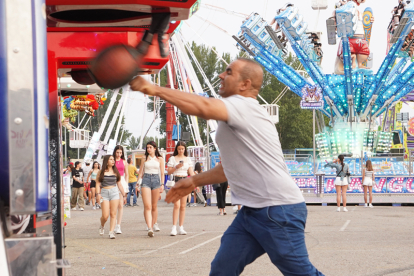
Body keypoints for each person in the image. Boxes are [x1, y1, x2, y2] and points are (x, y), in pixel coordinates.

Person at [130, 58, 324, 275]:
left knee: (301, 273)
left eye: (228, 72)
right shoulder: (237, 114)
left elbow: (203, 106)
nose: (221, 75)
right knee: (223, 269)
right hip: (252, 212)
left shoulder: (244, 106)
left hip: (278, 210)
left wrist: (156, 89)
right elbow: (227, 168)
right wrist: (193, 180)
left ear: (245, 84)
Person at [167, 141, 195, 236]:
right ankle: (174, 227)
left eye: (182, 149)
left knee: (183, 206)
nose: (180, 150)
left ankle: (181, 227)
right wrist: (176, 167)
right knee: (176, 205)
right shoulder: (173, 158)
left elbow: (191, 172)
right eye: (179, 149)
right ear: (176, 149)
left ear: (184, 149)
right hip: (176, 181)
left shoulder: (188, 159)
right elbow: (169, 172)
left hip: (185, 181)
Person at [95, 155, 127, 239]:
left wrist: (124, 195)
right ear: (106, 161)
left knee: (113, 213)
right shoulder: (101, 172)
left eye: (113, 159)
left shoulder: (115, 172)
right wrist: (98, 194)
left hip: (114, 193)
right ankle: (102, 225)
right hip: (104, 193)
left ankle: (111, 232)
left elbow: (119, 184)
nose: (113, 161)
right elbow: (98, 184)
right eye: (111, 159)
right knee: (105, 216)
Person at [137, 141, 165, 237]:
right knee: (147, 205)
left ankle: (153, 224)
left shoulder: (160, 159)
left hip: (156, 180)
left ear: (154, 148)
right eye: (147, 147)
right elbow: (141, 172)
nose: (148, 149)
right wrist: (137, 183)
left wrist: (162, 184)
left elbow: (162, 173)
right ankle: (150, 228)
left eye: (150, 147)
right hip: (146, 180)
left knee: (154, 206)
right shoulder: (144, 158)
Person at [113, 145, 129, 234]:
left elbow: (127, 174)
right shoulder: (112, 161)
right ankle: (114, 223)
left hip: (122, 181)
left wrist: (126, 185)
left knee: (120, 205)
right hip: (113, 182)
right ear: (115, 152)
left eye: (120, 153)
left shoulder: (124, 161)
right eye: (117, 152)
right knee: (113, 205)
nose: (119, 154)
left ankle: (118, 225)